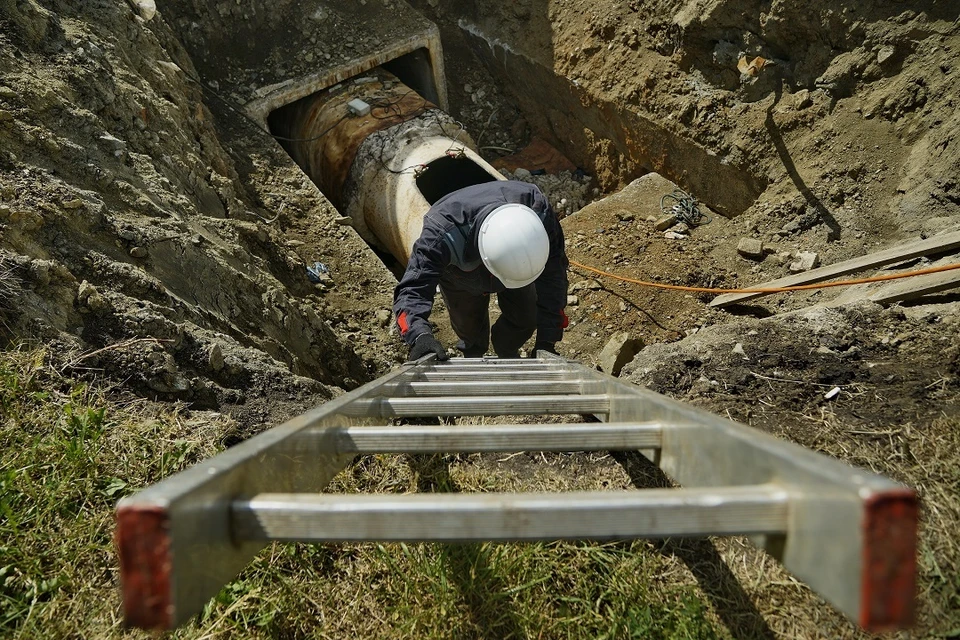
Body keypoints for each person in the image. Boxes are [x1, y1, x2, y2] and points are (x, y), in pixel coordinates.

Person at [394, 180, 569, 361]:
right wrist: (419, 336)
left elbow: (554, 279)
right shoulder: (440, 235)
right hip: (459, 276)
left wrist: (547, 341)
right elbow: (413, 290)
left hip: (518, 269)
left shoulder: (541, 215)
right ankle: (473, 354)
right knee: (469, 326)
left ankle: (507, 350)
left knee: (525, 317)